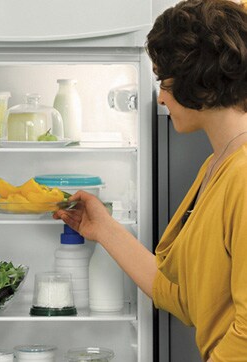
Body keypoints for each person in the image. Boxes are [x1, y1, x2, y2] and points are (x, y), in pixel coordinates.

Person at [53, 0, 247, 361]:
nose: (160, 97)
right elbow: (185, 297)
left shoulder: (243, 176)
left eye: (164, 82)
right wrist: (104, 229)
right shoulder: (216, 165)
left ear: (199, 79)